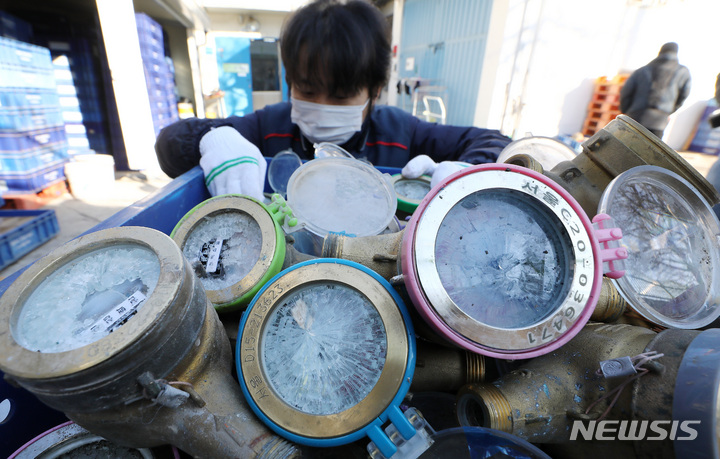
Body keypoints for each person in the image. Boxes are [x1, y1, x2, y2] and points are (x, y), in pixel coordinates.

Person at [154, 0, 511, 201]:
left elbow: (494, 142)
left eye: (340, 95)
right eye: (307, 91)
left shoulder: (401, 132)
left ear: (375, 89)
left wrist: (469, 173)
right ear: (290, 82)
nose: (322, 105)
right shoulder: (269, 126)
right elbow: (170, 144)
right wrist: (214, 138)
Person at [619, 42, 691, 139]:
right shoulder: (683, 72)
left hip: (635, 117)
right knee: (648, 152)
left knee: (623, 149)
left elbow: (626, 92)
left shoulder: (642, 70)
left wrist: (626, 111)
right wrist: (667, 111)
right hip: (659, 121)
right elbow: (684, 95)